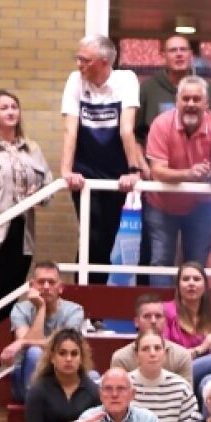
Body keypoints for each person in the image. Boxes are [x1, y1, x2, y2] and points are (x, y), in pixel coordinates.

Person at [59, 34, 142, 284]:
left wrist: (133, 170)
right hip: (84, 172)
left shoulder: (126, 79)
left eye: (85, 60)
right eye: (78, 59)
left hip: (115, 173)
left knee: (105, 240)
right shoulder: (76, 80)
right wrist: (66, 171)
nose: (79, 64)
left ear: (104, 62)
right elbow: (70, 129)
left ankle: (91, 309)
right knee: (90, 235)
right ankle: (83, 306)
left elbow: (126, 129)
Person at [143, 75, 211, 281]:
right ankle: (159, 314)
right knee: (160, 262)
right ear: (177, 101)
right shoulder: (160, 124)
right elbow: (157, 171)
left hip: (202, 206)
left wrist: (206, 175)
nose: (190, 104)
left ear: (207, 103)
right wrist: (189, 174)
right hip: (162, 204)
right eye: (185, 99)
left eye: (196, 99)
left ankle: (192, 314)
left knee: (196, 266)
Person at [0, 89, 51, 327]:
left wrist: (38, 193)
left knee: (9, 299)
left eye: (14, 107)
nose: (11, 112)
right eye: (4, 108)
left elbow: (48, 185)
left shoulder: (32, 149)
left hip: (22, 235)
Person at [1, 260, 86, 402]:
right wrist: (41, 308)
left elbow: (64, 345)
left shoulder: (74, 310)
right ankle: (38, 402)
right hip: (25, 381)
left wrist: (22, 342)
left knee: (94, 377)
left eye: (51, 282)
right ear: (32, 286)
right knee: (35, 352)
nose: (46, 287)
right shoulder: (20, 309)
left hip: (61, 377)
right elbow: (33, 347)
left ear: (60, 288)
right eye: (41, 282)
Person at [129, 331, 197, 422]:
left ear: (165, 354)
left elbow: (192, 421)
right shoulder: (124, 385)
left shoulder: (180, 386)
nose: (152, 353)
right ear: (136, 356)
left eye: (157, 348)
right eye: (145, 349)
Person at [134, 33, 211, 145]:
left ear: (191, 54)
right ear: (163, 55)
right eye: (173, 50)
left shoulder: (207, 89)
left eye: (183, 50)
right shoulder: (148, 88)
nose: (179, 54)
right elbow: (136, 135)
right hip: (157, 160)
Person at [23, 329, 98, 422]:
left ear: (81, 359)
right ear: (52, 357)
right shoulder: (38, 390)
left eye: (74, 354)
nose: (68, 359)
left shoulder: (93, 391)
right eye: (62, 353)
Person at [164, 261, 211, 392]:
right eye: (185, 279)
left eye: (197, 279)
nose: (191, 283)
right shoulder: (165, 311)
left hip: (202, 376)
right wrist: (202, 348)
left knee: (209, 381)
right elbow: (165, 358)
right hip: (174, 373)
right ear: (178, 285)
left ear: (205, 286)